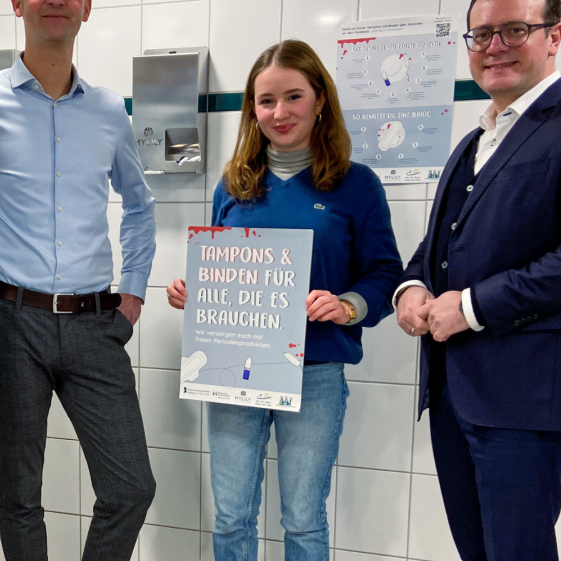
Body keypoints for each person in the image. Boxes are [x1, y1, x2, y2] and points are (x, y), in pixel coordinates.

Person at [395, 0, 561, 561]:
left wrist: (471, 307)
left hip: (527, 395)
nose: (494, 47)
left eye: (514, 30)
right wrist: (411, 287)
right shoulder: (474, 140)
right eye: (481, 35)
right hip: (453, 389)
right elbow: (439, 244)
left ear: (554, 36)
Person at [0, 0, 156, 561]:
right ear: (19, 2)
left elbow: (140, 206)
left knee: (131, 487)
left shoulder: (110, 111)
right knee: (20, 495)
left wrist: (133, 294)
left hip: (95, 323)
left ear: (86, 6)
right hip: (9, 322)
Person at [166, 40, 403, 561]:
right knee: (231, 516)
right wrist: (195, 292)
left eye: (293, 96)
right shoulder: (234, 184)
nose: (280, 112)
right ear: (253, 109)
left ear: (320, 100)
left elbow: (385, 273)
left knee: (302, 519)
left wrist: (348, 305)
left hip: (314, 371)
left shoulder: (356, 185)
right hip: (235, 370)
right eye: (266, 100)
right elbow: (227, 268)